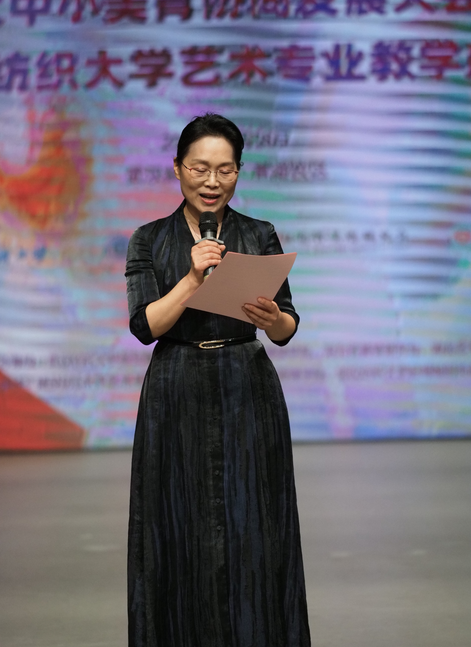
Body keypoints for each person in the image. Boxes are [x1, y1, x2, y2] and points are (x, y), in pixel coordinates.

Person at [125, 113, 311, 647]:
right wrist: (192, 278)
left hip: (246, 386)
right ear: (177, 168)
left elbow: (287, 328)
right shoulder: (149, 239)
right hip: (176, 386)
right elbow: (145, 326)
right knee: (175, 524)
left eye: (225, 170)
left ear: (238, 172)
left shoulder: (258, 233)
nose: (212, 181)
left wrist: (271, 318)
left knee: (256, 524)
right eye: (200, 168)